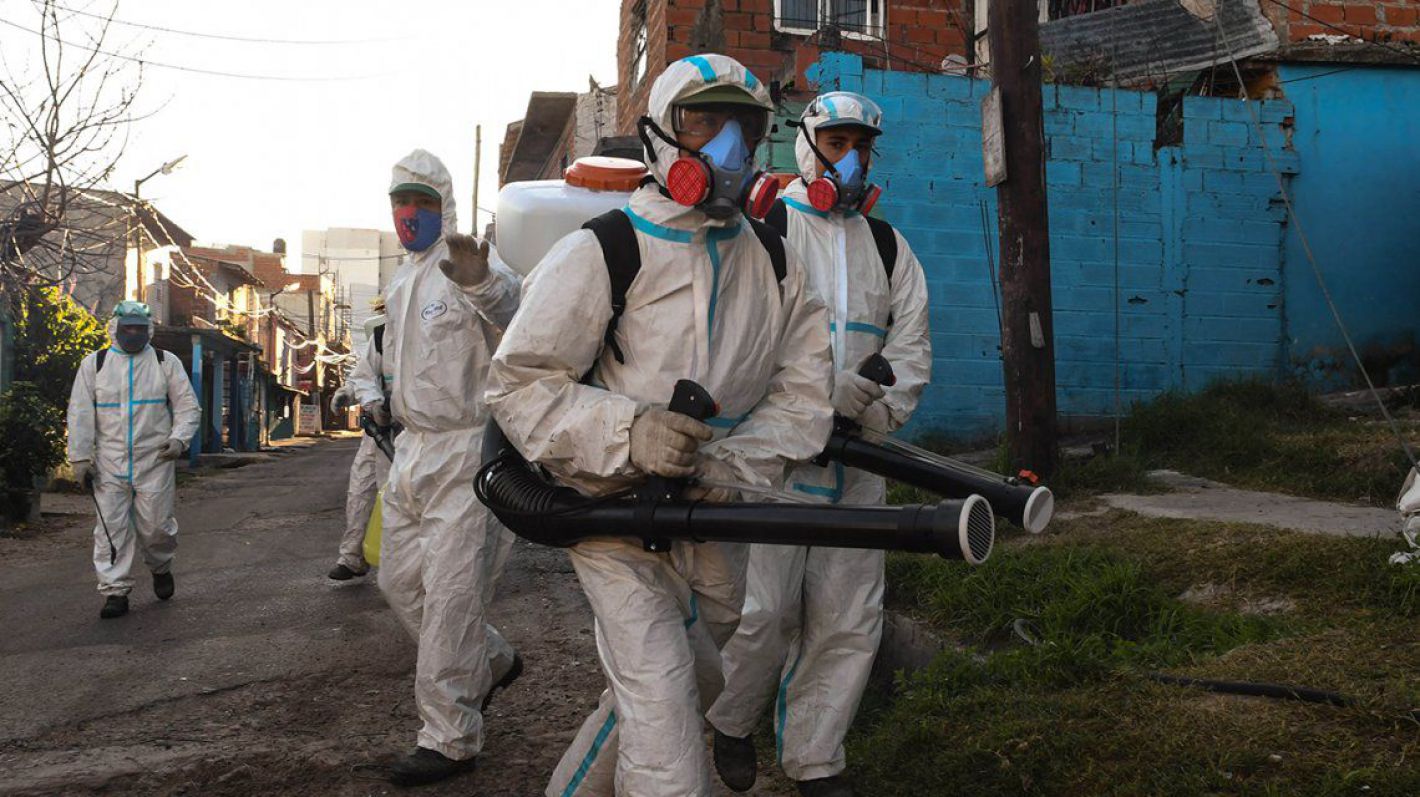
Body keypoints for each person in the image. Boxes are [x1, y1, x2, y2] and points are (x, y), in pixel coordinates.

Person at [485, 53, 834, 797]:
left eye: (743, 127)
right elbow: (517, 384)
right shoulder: (606, 249)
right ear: (660, 138)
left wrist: (727, 466)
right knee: (670, 747)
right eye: (704, 124)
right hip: (615, 521)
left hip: (718, 520)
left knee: (677, 687)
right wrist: (630, 432)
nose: (727, 150)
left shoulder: (775, 260)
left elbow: (805, 397)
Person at [706, 91, 932, 797]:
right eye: (838, 143)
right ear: (808, 146)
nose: (854, 159)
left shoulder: (889, 246)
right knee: (764, 612)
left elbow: (913, 342)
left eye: (863, 145)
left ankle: (815, 757)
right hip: (777, 454)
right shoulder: (767, 230)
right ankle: (732, 719)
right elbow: (741, 339)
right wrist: (814, 399)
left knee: (848, 613)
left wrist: (876, 411)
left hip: (859, 456)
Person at [348, 149, 524, 786]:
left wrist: (481, 282)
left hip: (468, 449)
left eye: (422, 200)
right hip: (412, 450)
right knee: (399, 586)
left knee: (452, 599)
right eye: (401, 201)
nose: (410, 214)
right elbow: (383, 364)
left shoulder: (471, 262)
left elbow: (516, 316)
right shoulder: (400, 283)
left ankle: (450, 737)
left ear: (443, 203)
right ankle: (494, 658)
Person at [66, 300, 201, 620]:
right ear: (114, 327)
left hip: (154, 459)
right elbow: (80, 413)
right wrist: (80, 458)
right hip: (109, 463)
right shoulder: (94, 365)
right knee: (111, 529)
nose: (133, 334)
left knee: (157, 526)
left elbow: (187, 407)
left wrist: (178, 439)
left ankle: (161, 565)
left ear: (148, 330)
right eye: (127, 328)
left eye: (139, 329)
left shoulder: (164, 362)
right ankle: (115, 591)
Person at [327, 309, 390, 581]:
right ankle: (352, 557)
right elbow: (363, 375)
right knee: (360, 491)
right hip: (377, 432)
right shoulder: (382, 337)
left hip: (409, 434)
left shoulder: (429, 333)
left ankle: (397, 563)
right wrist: (349, 392)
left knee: (395, 498)